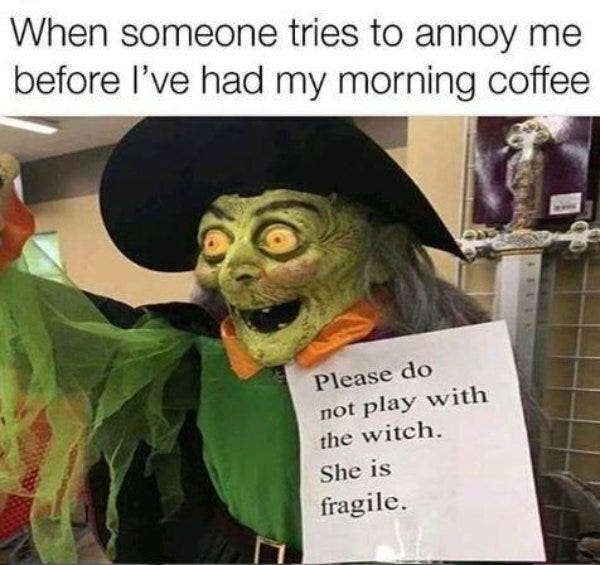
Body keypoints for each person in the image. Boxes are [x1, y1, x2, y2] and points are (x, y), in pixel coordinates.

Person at [0, 118, 489, 563]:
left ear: (382, 256)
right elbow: (64, 326)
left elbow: (490, 512)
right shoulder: (197, 357)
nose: (233, 269)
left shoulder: (446, 378)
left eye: (278, 237)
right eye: (215, 242)